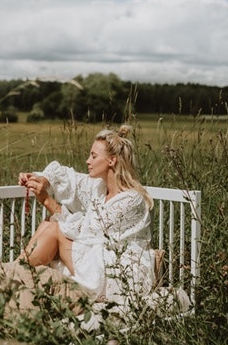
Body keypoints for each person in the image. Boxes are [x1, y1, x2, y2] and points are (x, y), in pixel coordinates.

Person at [17, 125, 156, 303]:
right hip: (94, 256)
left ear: (111, 161)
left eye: (94, 156)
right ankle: (17, 270)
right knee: (50, 223)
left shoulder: (131, 200)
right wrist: (43, 179)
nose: (87, 161)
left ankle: (13, 274)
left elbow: (88, 234)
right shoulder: (99, 188)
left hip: (115, 271)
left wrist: (47, 201)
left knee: (54, 228)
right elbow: (67, 176)